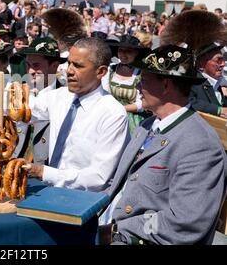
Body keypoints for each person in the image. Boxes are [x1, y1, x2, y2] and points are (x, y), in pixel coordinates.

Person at [98, 44, 227, 245]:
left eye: (144, 80)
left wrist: (119, 231)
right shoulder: (146, 125)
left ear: (166, 85)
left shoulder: (201, 145)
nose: (138, 86)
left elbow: (184, 222)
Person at [25, 38, 130, 191]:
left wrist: (44, 172)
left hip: (82, 202)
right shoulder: (58, 96)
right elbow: (26, 111)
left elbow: (98, 177)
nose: (69, 71)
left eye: (78, 66)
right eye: (69, 63)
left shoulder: (113, 114)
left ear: (101, 72)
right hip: (48, 191)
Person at [103, 35, 151, 135]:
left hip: (133, 121)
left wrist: (120, 109)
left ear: (136, 53)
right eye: (121, 50)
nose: (123, 54)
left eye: (128, 51)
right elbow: (104, 93)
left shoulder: (142, 73)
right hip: (110, 116)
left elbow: (143, 104)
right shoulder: (110, 69)